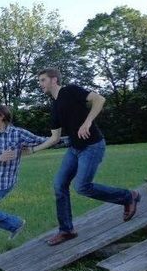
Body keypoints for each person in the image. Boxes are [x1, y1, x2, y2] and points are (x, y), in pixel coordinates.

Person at [30, 68, 141, 246]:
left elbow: (99, 99)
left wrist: (88, 122)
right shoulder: (54, 106)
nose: (40, 84)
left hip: (92, 146)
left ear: (54, 80)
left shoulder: (70, 90)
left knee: (82, 187)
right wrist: (32, 150)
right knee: (59, 185)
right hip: (75, 149)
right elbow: (55, 138)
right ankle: (66, 230)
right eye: (39, 81)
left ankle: (128, 196)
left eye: (42, 80)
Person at [0, 105, 48, 258]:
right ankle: (15, 224)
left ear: (1, 116)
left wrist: (66, 138)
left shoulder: (17, 133)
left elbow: (42, 140)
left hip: (5, 181)